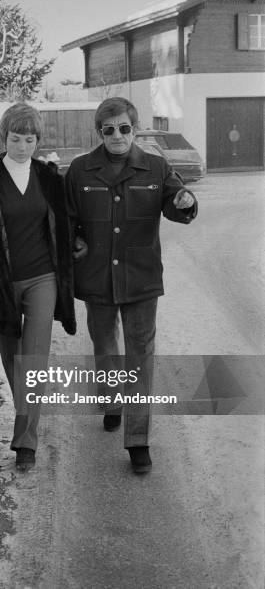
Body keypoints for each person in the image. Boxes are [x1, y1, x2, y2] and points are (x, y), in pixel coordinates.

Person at [65, 97, 198, 473]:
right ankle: (111, 401)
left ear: (134, 129)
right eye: (109, 130)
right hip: (97, 277)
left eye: (124, 128)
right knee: (105, 347)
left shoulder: (155, 166)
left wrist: (185, 202)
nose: (117, 136)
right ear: (100, 133)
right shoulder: (79, 170)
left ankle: (138, 440)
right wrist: (74, 240)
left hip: (140, 277)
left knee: (140, 356)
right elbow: (67, 218)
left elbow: (176, 202)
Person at [0, 103, 83, 471]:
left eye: (30, 139)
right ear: (4, 137)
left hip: (43, 278)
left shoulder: (48, 179)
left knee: (35, 359)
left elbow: (66, 223)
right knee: (14, 362)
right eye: (16, 138)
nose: (23, 146)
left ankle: (26, 440)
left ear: (37, 141)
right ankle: (26, 421)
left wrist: (77, 243)